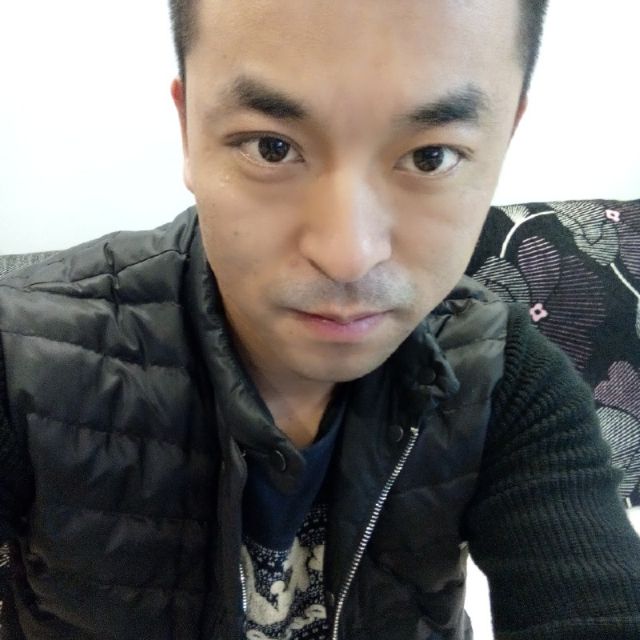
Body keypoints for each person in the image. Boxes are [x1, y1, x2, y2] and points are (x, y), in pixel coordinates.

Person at [0, 0, 639, 638]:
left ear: (506, 136)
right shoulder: (26, 358)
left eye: (431, 157)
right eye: (272, 147)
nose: (347, 255)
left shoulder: (503, 373)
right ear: (188, 127)